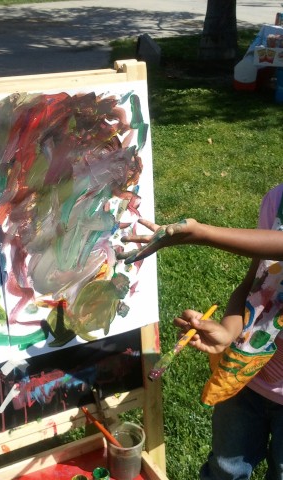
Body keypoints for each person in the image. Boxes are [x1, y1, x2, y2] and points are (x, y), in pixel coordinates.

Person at [118, 183, 283, 479]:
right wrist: (229, 330)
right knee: (224, 468)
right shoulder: (278, 199)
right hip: (244, 375)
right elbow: (255, 282)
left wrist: (201, 233)